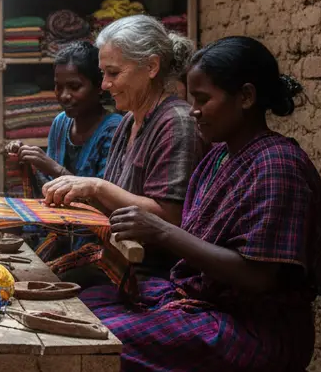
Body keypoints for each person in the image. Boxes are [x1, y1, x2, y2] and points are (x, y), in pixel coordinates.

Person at [86, 37, 321, 372]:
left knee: (109, 338)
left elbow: (259, 279)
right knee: (87, 306)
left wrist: (161, 232)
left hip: (258, 327)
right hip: (205, 300)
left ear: (245, 97)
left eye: (202, 100)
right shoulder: (220, 158)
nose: (193, 111)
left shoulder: (278, 166)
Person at [43, 15, 203, 277]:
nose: (105, 85)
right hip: (120, 262)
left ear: (151, 66)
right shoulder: (129, 121)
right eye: (103, 73)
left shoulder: (176, 123)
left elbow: (170, 218)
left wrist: (96, 186)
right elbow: (114, 206)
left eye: (114, 73)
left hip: (155, 275)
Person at [15, 40, 123, 190]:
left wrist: (55, 169)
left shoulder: (115, 130)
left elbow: (106, 201)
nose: (64, 95)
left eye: (74, 87)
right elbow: (48, 185)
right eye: (58, 86)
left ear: (99, 86)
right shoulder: (60, 123)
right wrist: (27, 160)